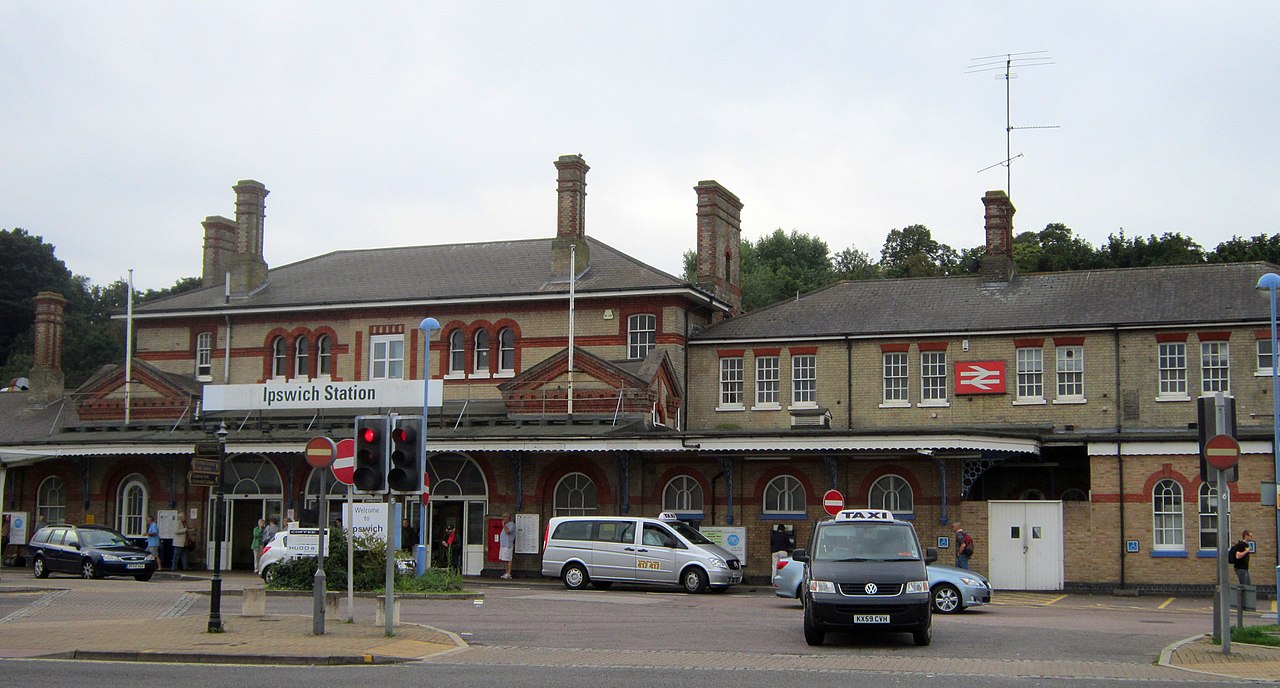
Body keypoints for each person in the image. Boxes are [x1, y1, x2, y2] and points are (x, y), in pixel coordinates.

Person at [498, 513, 515, 579]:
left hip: (508, 545)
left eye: (505, 517)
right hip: (503, 544)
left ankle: (509, 573)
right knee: (504, 559)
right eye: (503, 517)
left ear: (509, 517)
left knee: (508, 559)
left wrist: (503, 525)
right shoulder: (506, 524)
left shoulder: (511, 524)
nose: (504, 518)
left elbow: (507, 531)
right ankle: (506, 572)